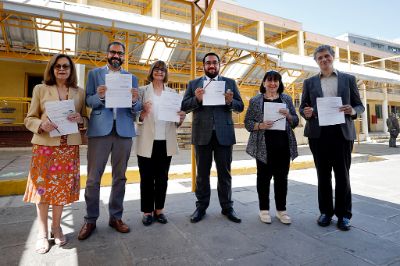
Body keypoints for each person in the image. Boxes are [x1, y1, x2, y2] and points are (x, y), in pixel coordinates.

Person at [24, 53, 87, 253]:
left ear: (71, 70)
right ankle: (42, 233)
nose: (62, 69)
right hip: (45, 147)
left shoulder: (79, 92)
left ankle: (56, 227)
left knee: (60, 192)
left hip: (68, 149)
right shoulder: (40, 89)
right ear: (52, 69)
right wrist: (41, 124)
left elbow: (85, 119)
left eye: (66, 66)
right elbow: (29, 118)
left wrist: (80, 120)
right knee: (42, 191)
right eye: (58, 66)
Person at [78, 41, 141, 240]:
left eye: (120, 53)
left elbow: (137, 107)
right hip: (100, 130)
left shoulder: (132, 78)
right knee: (93, 178)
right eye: (113, 52)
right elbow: (88, 100)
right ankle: (90, 219)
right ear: (107, 54)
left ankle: (116, 217)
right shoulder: (95, 74)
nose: (116, 56)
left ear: (124, 56)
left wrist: (133, 101)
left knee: (120, 177)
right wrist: (99, 96)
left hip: (123, 130)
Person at [299, 45, 365, 231]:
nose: (324, 60)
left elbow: (359, 106)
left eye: (327, 56)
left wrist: (352, 110)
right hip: (318, 135)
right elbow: (303, 107)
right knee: (323, 175)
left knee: (343, 175)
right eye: (320, 58)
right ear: (316, 61)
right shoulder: (309, 82)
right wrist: (307, 112)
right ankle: (326, 212)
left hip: (342, 133)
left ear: (333, 57)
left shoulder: (348, 79)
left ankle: (344, 215)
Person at [181, 52, 244, 223]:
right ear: (203, 65)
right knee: (202, 174)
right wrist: (197, 98)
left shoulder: (230, 83)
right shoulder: (194, 84)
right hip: (202, 135)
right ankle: (201, 207)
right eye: (208, 63)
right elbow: (184, 106)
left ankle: (227, 207)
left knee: (225, 173)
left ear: (219, 65)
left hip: (224, 135)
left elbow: (240, 107)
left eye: (214, 63)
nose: (211, 65)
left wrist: (230, 101)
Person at [135, 60, 186, 226]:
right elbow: (134, 115)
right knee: (147, 179)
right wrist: (142, 113)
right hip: (147, 142)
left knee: (162, 178)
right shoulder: (142, 92)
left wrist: (180, 119)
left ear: (165, 74)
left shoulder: (172, 93)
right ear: (151, 72)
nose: (159, 72)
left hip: (165, 141)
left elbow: (175, 121)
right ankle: (147, 212)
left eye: (162, 70)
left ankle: (160, 210)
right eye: (156, 69)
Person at [244, 70, 298, 225]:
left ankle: (282, 211)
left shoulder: (286, 99)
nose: (273, 83)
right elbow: (248, 123)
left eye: (276, 80)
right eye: (269, 80)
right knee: (263, 178)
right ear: (264, 83)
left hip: (283, 145)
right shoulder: (255, 101)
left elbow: (295, 121)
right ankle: (264, 210)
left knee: (282, 178)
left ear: (279, 84)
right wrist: (260, 125)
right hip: (264, 145)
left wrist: (288, 115)